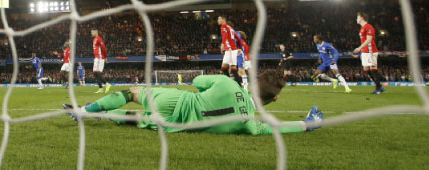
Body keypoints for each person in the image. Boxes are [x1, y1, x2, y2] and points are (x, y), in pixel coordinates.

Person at [62, 71, 324, 135]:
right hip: (174, 125)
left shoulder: (227, 83)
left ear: (253, 80)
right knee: (135, 117)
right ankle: (95, 113)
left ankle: (86, 111)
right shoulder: (251, 123)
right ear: (274, 99)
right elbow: (278, 127)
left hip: (176, 99)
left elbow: (198, 80)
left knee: (132, 93)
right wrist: (308, 123)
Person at [353, 12, 384, 94]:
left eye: (357, 17)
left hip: (371, 51)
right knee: (366, 69)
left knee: (373, 69)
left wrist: (359, 48)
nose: (356, 19)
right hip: (365, 52)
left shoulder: (369, 27)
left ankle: (378, 88)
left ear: (362, 18)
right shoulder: (362, 28)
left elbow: (369, 39)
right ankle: (379, 85)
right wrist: (362, 52)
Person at [218, 16, 241, 85]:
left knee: (233, 69)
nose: (218, 20)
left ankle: (239, 85)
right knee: (224, 68)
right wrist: (239, 47)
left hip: (231, 50)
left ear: (223, 20)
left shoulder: (224, 26)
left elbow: (225, 35)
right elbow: (238, 38)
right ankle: (231, 84)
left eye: (219, 19)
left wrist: (222, 44)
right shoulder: (230, 28)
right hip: (230, 50)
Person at [91, 28, 110, 93]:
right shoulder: (94, 39)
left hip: (99, 57)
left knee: (96, 72)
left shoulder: (99, 39)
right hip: (96, 57)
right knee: (95, 73)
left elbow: (104, 48)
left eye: (93, 32)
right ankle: (101, 88)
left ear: (96, 32)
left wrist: (105, 57)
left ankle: (107, 84)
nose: (92, 33)